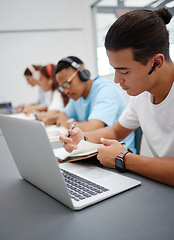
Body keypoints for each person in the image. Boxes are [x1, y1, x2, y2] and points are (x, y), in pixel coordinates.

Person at [59, 8, 174, 187]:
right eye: (114, 69)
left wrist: (124, 158)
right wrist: (82, 138)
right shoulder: (141, 94)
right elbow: (115, 131)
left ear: (156, 63)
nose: (116, 79)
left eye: (124, 70)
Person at [55, 56, 136, 153]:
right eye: (62, 88)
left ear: (82, 74)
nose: (66, 91)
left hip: (120, 155)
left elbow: (91, 128)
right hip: (92, 151)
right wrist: (71, 123)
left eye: (67, 84)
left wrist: (68, 123)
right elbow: (62, 116)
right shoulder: (76, 96)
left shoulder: (106, 90)